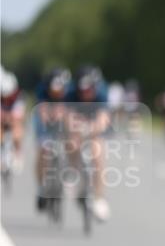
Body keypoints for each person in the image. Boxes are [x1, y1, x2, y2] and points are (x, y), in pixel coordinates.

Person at [68, 66, 112, 221]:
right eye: (83, 90)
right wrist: (76, 131)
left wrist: (92, 129)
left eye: (89, 89)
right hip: (77, 121)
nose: (87, 93)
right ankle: (73, 172)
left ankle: (99, 199)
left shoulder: (102, 92)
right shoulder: (71, 93)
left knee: (98, 153)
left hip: (94, 123)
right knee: (72, 143)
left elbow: (103, 118)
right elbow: (69, 118)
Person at [34, 68, 73, 211]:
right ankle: (41, 186)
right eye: (54, 91)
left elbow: (71, 111)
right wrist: (49, 116)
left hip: (64, 122)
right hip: (46, 124)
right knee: (44, 149)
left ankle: (68, 177)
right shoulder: (42, 90)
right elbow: (41, 110)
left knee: (72, 144)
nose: (57, 93)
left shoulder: (70, 91)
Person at [1, 67, 26, 174]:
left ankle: (18, 153)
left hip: (13, 119)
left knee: (17, 126)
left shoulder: (19, 96)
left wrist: (9, 117)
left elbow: (19, 115)